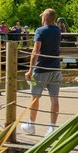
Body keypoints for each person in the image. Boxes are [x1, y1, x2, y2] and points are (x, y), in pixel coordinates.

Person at [24, 8, 62, 136]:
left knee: (35, 97)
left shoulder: (40, 31)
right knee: (54, 99)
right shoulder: (58, 30)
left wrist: (30, 70)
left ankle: (31, 125)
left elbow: (35, 51)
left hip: (40, 69)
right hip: (56, 68)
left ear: (44, 19)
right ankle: (52, 128)